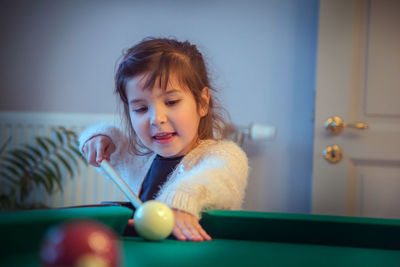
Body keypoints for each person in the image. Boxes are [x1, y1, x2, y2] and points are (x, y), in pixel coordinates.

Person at [79, 37, 248, 242]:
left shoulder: (223, 156)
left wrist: (180, 202)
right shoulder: (140, 159)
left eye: (171, 101)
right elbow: (110, 141)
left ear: (202, 103)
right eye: (141, 108)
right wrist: (98, 138)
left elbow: (216, 176)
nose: (157, 119)